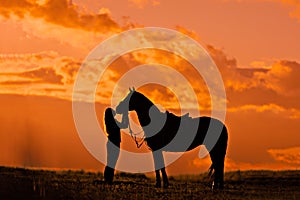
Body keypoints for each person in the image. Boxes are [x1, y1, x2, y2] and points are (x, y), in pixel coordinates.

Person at [104, 107, 128, 184]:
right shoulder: (112, 122)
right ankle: (108, 179)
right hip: (114, 143)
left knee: (111, 162)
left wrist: (125, 115)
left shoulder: (110, 121)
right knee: (112, 162)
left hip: (112, 142)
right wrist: (125, 115)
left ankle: (108, 179)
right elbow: (124, 125)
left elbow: (124, 125)